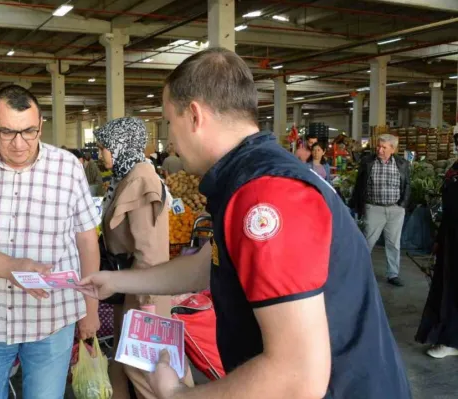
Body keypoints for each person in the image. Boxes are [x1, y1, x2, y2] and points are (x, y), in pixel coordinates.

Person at [78, 47, 411, 399]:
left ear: (194, 116)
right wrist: (115, 280)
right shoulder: (245, 178)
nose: (170, 141)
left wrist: (176, 394)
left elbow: (295, 377)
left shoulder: (265, 196)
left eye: (169, 123)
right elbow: (207, 266)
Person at [0, 85, 101, 399]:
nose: (18, 144)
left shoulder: (67, 168)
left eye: (29, 132)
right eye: (7, 132)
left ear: (41, 125)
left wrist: (90, 308)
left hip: (52, 318)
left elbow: (86, 242)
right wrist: (12, 268)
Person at [94, 117, 193, 398]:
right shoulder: (127, 177)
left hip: (143, 291)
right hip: (130, 287)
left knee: (147, 370)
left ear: (121, 146)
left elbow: (149, 251)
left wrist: (148, 305)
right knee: (125, 364)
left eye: (105, 147)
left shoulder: (140, 181)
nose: (101, 153)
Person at [415, 134, 458, 359]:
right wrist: (440, 238)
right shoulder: (455, 169)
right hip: (451, 238)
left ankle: (451, 340)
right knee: (447, 288)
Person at [351, 134, 411, 287]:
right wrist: (358, 205)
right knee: (367, 241)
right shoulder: (368, 162)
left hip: (395, 210)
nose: (380, 149)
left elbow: (407, 185)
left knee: (393, 244)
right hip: (374, 208)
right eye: (379, 146)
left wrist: (402, 205)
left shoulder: (402, 164)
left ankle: (393, 274)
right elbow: (359, 185)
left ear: (393, 149)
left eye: (384, 147)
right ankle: (358, 272)